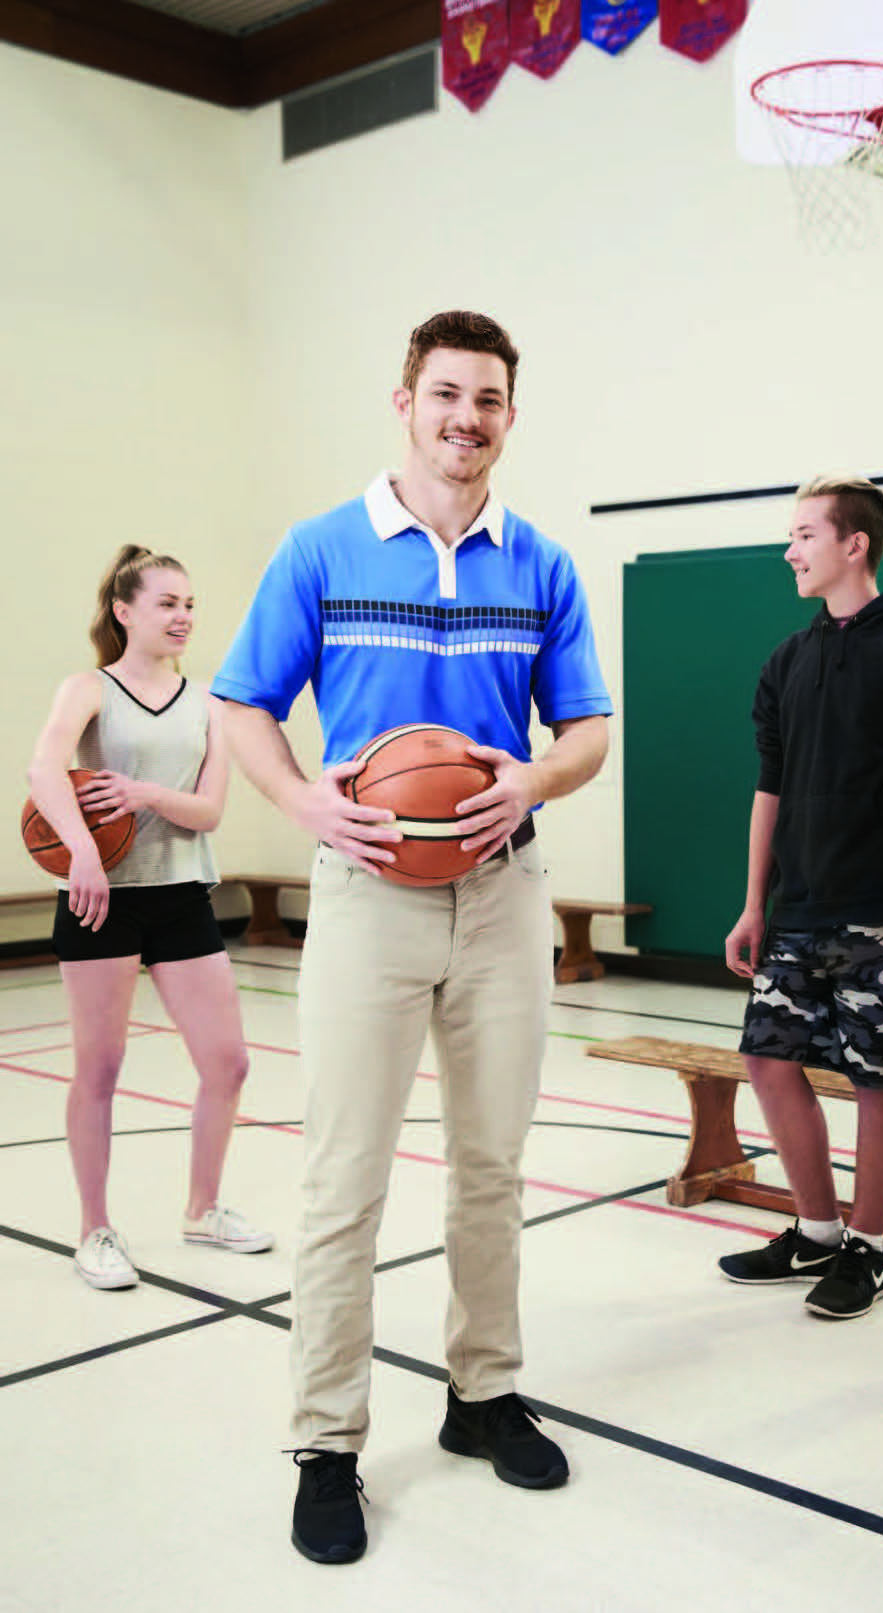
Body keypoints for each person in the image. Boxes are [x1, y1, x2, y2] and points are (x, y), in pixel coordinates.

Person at [213, 310, 611, 1565]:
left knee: (492, 1168)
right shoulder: (321, 547)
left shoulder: (540, 562)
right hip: (365, 893)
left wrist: (531, 781)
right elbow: (240, 705)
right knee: (345, 1180)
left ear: (509, 415)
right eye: (446, 394)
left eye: (488, 400)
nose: (466, 418)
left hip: (503, 893)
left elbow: (589, 733)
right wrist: (301, 799)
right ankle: (326, 1442)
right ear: (403, 401)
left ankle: (481, 1394)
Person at [721, 476, 883, 1319]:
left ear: (853, 544)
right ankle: (818, 1230)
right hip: (795, 905)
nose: (789, 551)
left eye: (803, 535)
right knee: (766, 1060)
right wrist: (752, 901)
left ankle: (869, 1246)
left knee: (879, 1080)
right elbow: (769, 786)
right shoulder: (786, 660)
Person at [27, 546, 272, 1292]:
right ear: (125, 612)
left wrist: (143, 794)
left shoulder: (212, 704)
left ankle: (202, 1209)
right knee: (99, 1069)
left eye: (190, 604)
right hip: (102, 896)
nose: (184, 616)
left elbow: (208, 810)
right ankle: (94, 1228)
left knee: (227, 1062)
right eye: (167, 603)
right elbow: (45, 769)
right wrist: (83, 855)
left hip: (180, 893)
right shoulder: (88, 688)